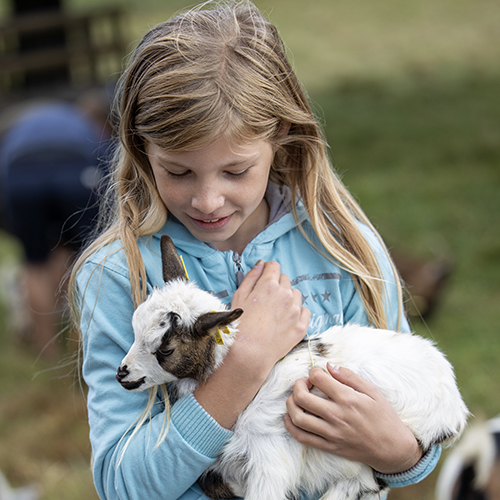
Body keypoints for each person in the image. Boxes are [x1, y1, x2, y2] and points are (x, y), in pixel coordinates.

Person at [69, 2, 442, 499]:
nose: (207, 200)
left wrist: (399, 453)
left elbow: (409, 424)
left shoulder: (343, 249)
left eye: (235, 171)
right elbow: (123, 485)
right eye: (178, 172)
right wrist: (244, 364)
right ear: (141, 149)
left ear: (280, 136)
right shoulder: (119, 275)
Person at [0, 95, 111, 360]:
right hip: (74, 168)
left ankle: (47, 355)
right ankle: (84, 350)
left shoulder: (25, 125)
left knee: (35, 264)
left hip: (19, 175)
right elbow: (109, 174)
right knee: (88, 259)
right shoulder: (84, 124)